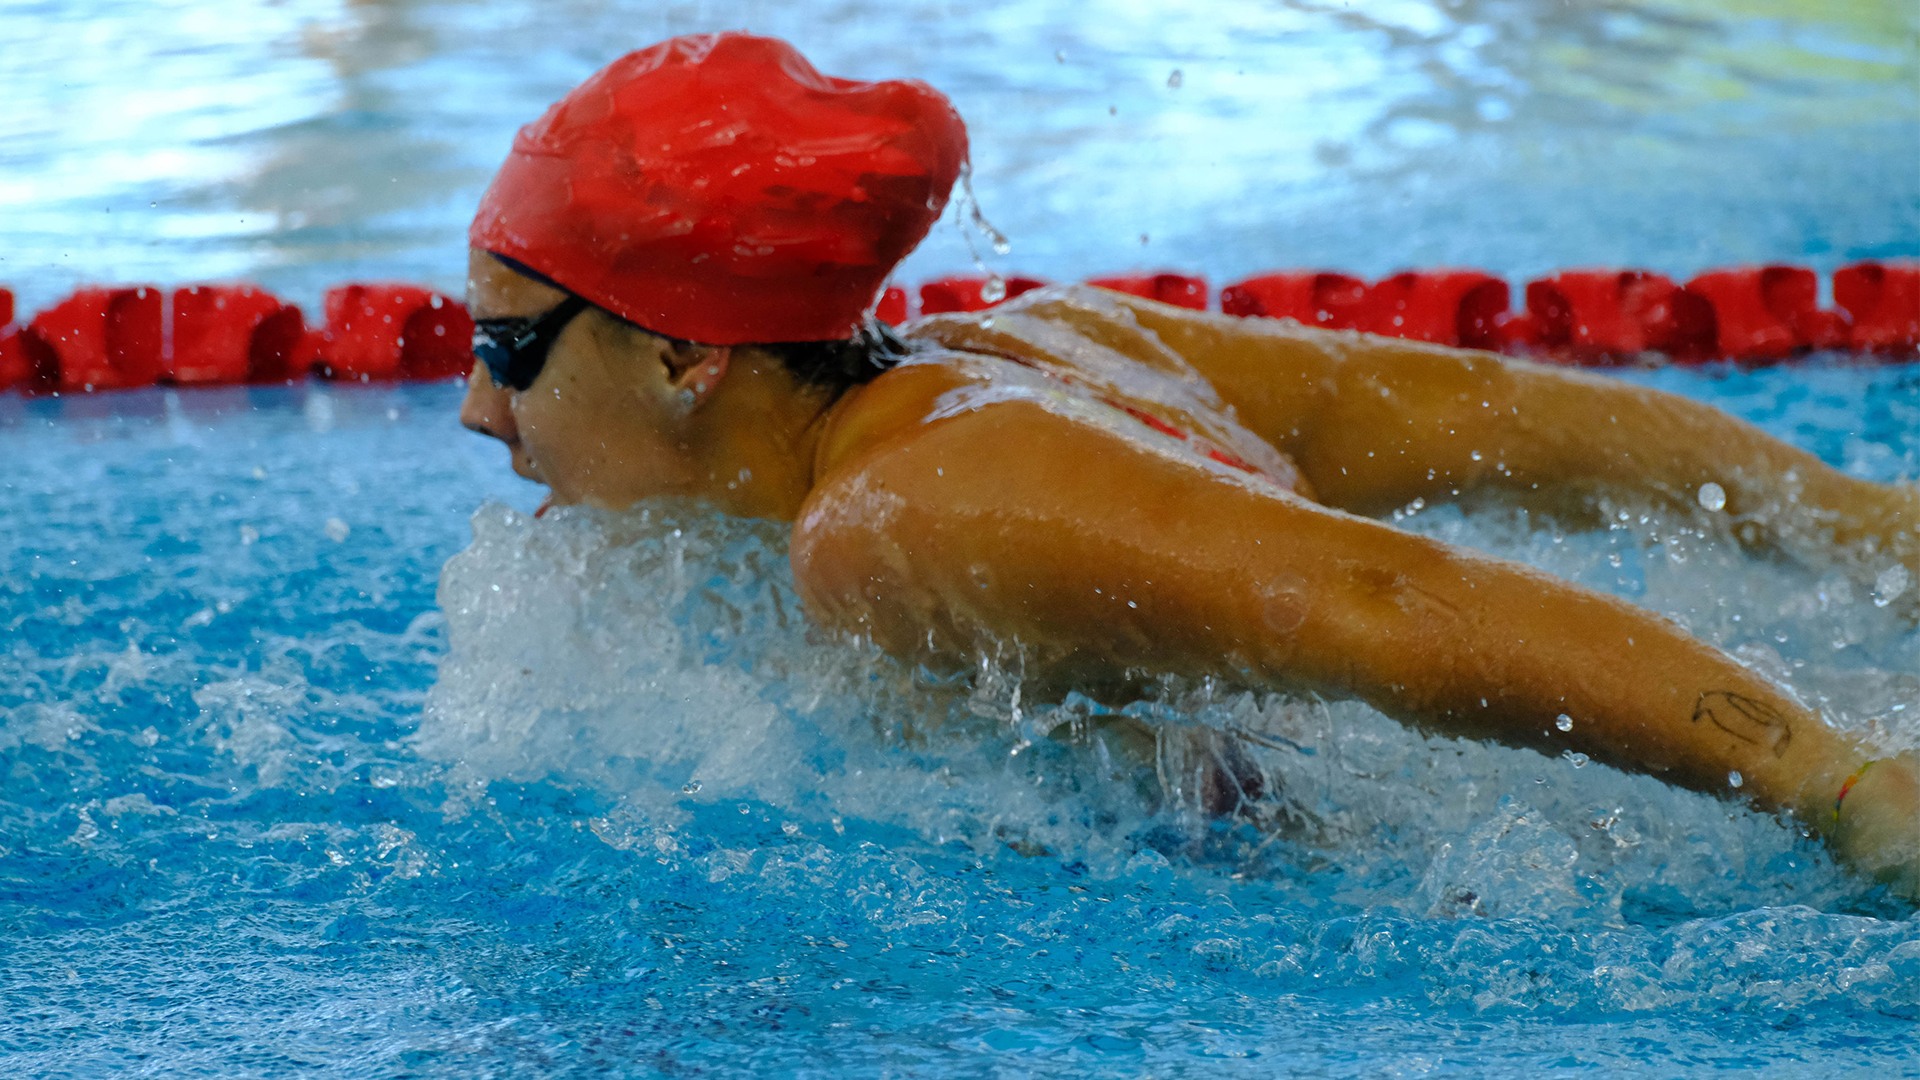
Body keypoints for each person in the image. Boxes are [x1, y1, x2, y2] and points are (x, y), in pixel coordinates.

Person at [457, 32, 1920, 894]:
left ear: (678, 354)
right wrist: (1877, 530)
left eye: (511, 351)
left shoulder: (898, 519)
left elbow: (1381, 598)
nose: (475, 408)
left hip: (1481, 882)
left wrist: (1834, 786)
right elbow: (1524, 421)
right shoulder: (1056, 342)